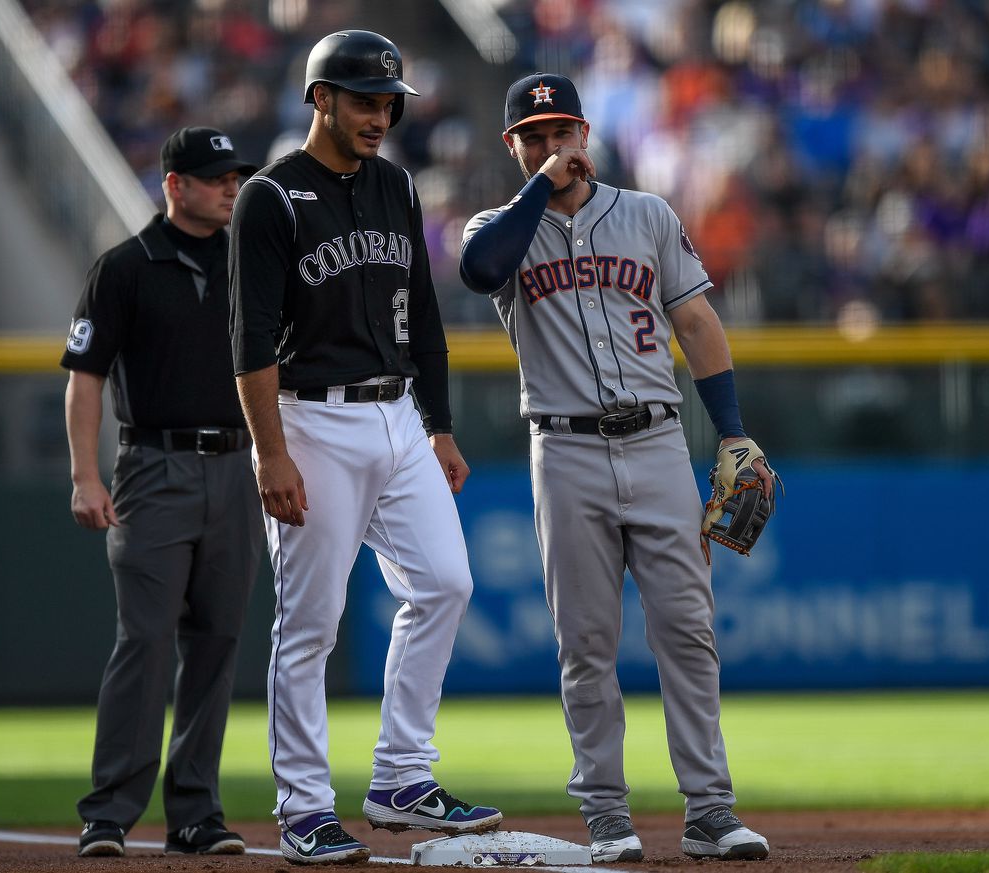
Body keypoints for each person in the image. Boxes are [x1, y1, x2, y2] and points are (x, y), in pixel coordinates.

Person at [459, 73, 775, 863]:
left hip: (658, 439)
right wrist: (538, 187)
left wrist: (732, 432)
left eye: (561, 131)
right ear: (514, 147)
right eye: (534, 136)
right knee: (586, 641)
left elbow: (697, 322)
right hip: (563, 448)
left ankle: (710, 810)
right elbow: (477, 269)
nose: (551, 145)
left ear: (585, 133)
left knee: (689, 629)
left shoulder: (646, 215)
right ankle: (605, 813)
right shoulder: (501, 224)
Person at [228, 30, 502, 865]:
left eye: (388, 101)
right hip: (309, 420)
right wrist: (270, 451)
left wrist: (441, 423)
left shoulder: (394, 184)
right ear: (320, 100)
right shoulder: (270, 197)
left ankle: (401, 777)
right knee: (309, 623)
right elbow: (249, 341)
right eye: (362, 99)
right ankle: (305, 807)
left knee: (446, 582)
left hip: (398, 418)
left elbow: (421, 313)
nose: (379, 114)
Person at [61, 127, 263, 858]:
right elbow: (84, 377)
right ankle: (109, 810)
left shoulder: (250, 263)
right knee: (144, 641)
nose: (231, 186)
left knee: (217, 644)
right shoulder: (124, 267)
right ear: (175, 185)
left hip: (237, 466)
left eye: (235, 176)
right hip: (153, 467)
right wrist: (86, 475)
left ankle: (195, 814)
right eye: (215, 178)